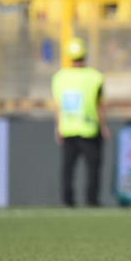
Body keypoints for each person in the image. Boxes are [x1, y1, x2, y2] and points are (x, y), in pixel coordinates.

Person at [52, 37, 110, 207]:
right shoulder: (95, 77)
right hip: (89, 128)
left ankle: (67, 199)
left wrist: (57, 127)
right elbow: (99, 104)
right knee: (93, 167)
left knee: (68, 167)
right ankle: (92, 200)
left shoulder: (59, 77)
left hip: (67, 127)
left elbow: (57, 105)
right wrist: (103, 126)